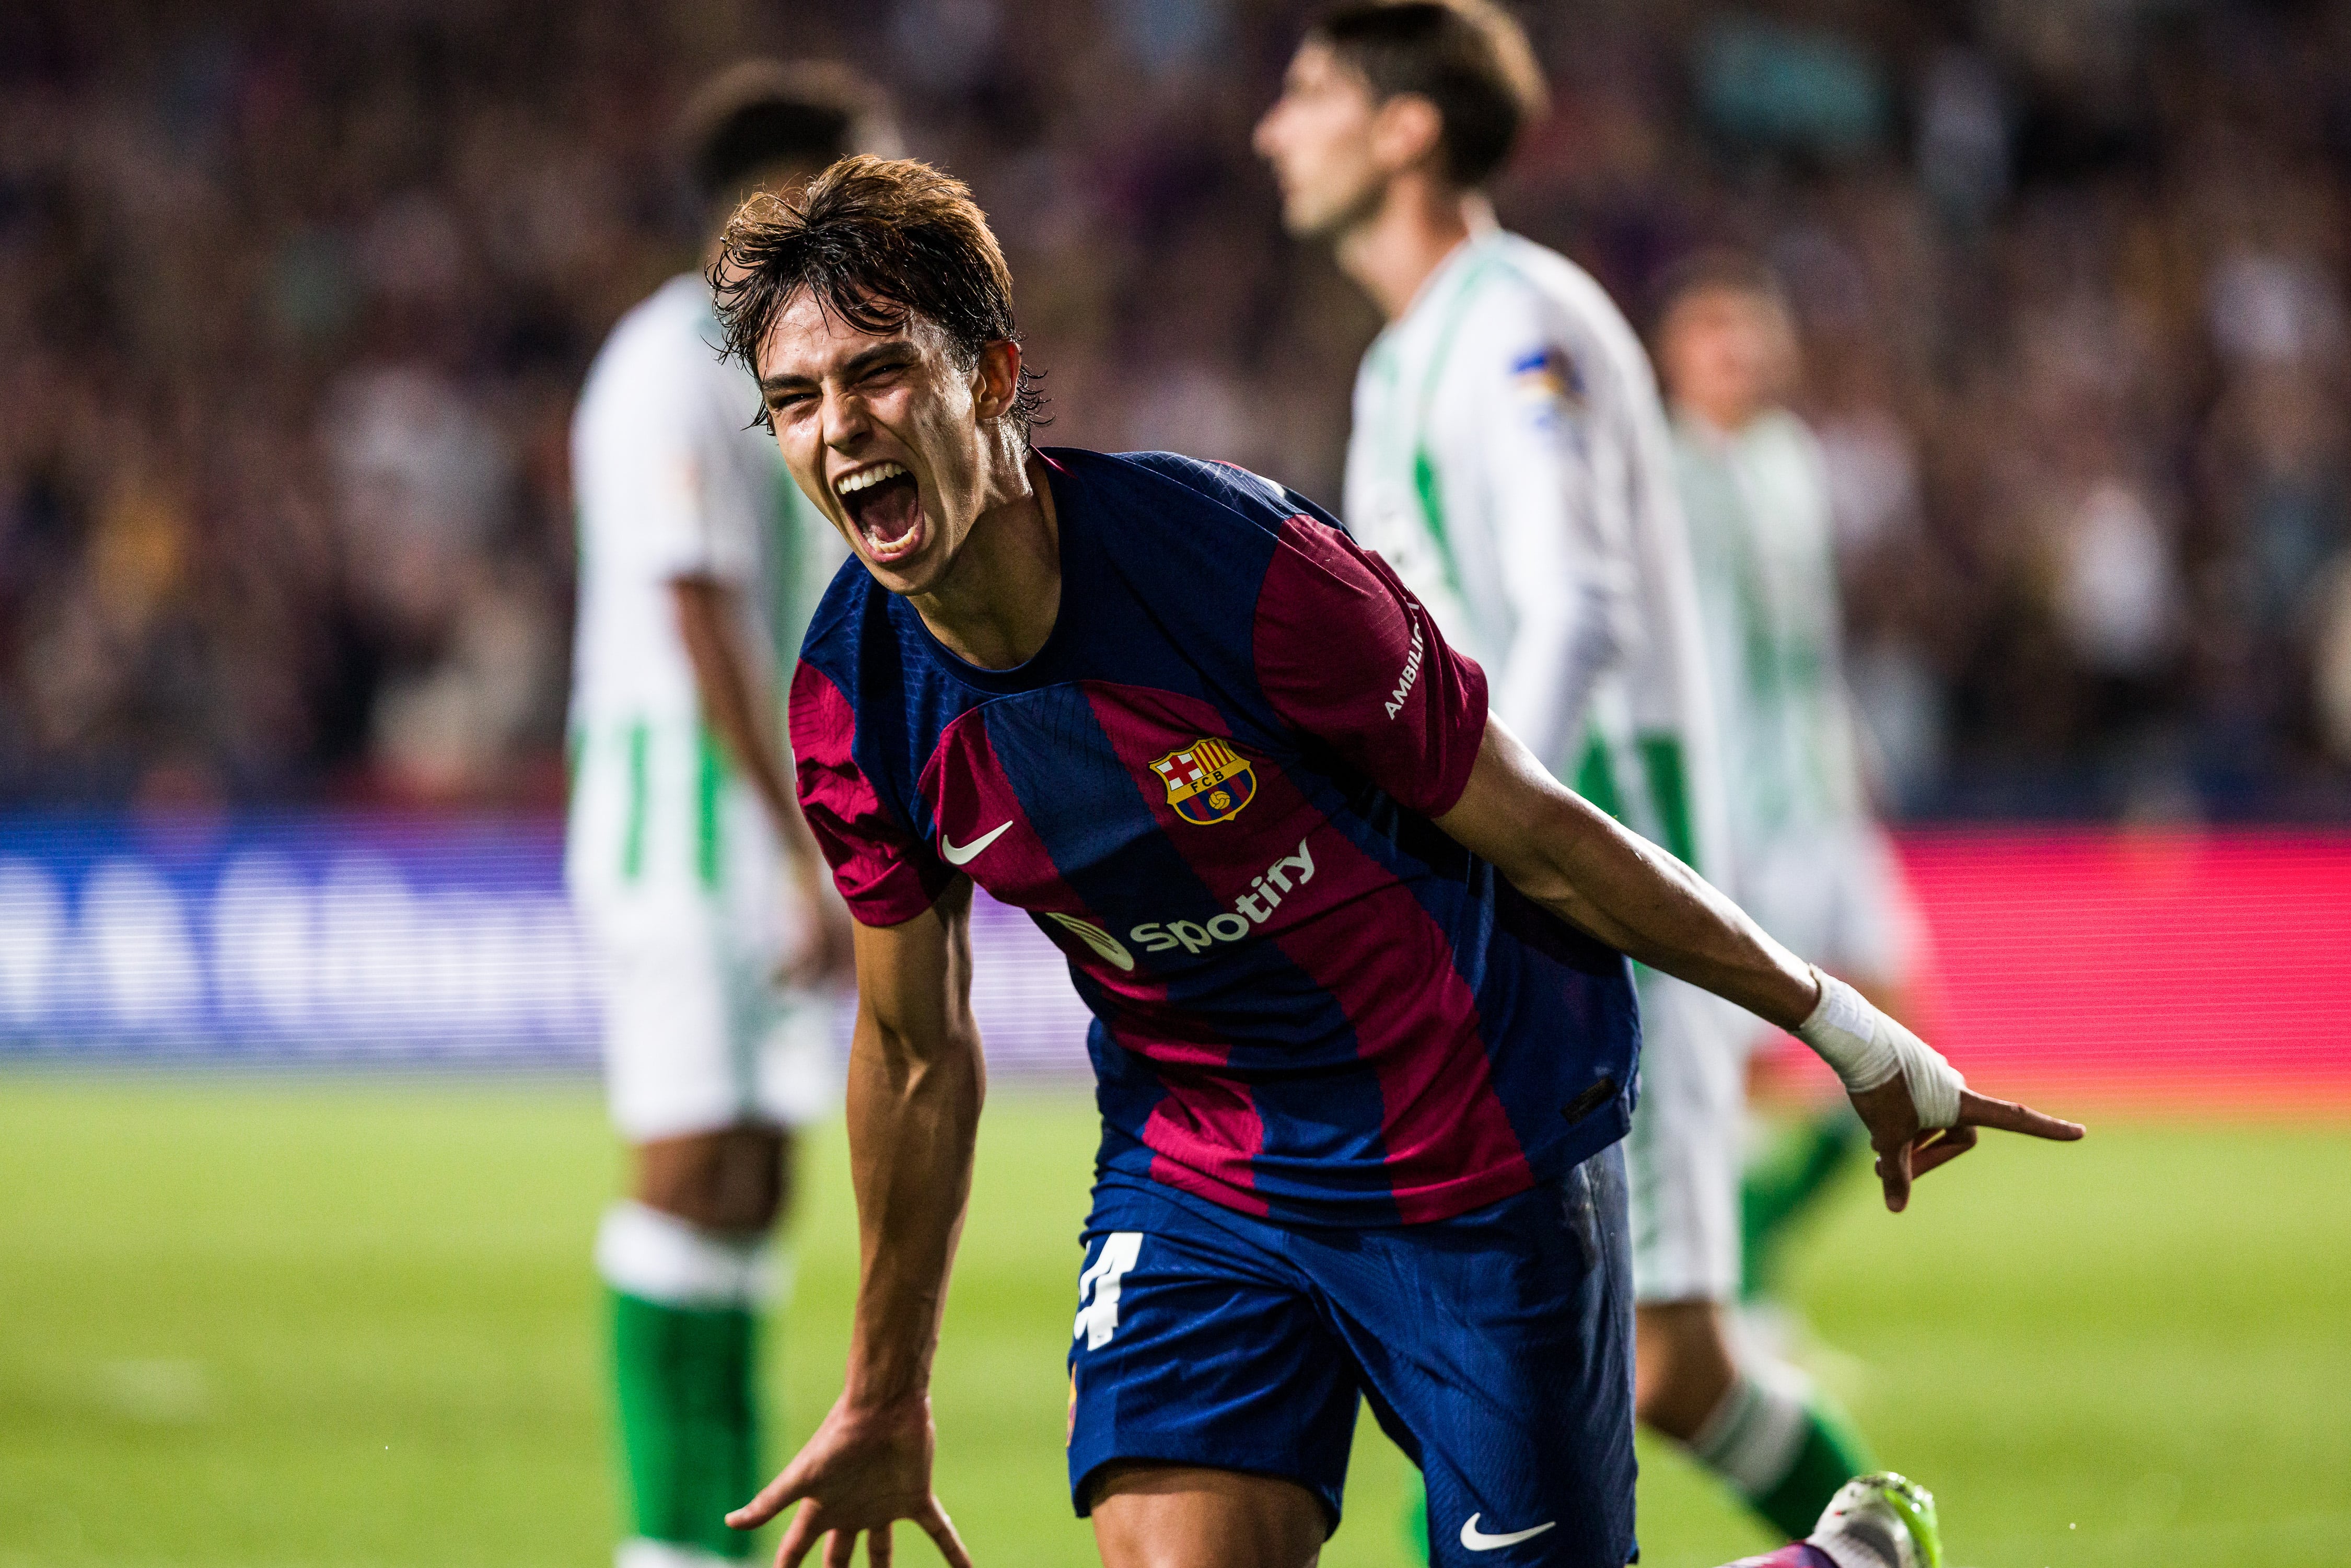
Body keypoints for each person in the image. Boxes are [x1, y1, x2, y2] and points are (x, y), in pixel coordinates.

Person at [703, 153, 2079, 1568]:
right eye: (795, 402)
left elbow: (1535, 827)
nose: (838, 430)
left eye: (876, 375)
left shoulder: (1235, 567)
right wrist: (882, 1390)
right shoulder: (850, 700)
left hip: (1469, 1143)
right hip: (1205, 1174)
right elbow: (913, 1049)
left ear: (987, 377)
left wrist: (1838, 1023)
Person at [1251, 2, 1873, 1545]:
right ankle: (1867, 1541)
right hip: (1520, 899)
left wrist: (1471, 841)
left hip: (1588, 900)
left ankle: (1869, 1542)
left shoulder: (1517, 324)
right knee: (1607, 1358)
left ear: (1405, 130)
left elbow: (1576, 604)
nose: (1274, 128)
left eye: (1310, 94)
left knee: (1572, 1352)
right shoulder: (1410, 357)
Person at [563, 61, 893, 1568]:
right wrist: (788, 846)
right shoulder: (667, 361)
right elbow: (693, 607)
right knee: (694, 1161)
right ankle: (664, 1548)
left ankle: (707, 1538)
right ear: (782, 199)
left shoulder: (784, 357)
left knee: (756, 1178)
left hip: (766, 826)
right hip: (686, 828)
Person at [1651, 255, 1930, 1317]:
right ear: (1676, 357)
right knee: (1732, 1062)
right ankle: (1723, 1285)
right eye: (1714, 336)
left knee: (1911, 1041)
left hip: (1818, 796)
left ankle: (1760, 1232)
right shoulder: (1658, 472)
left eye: (1750, 335)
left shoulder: (1791, 459)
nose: (1737, 356)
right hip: (1725, 810)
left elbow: (1808, 635)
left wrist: (1849, 744)